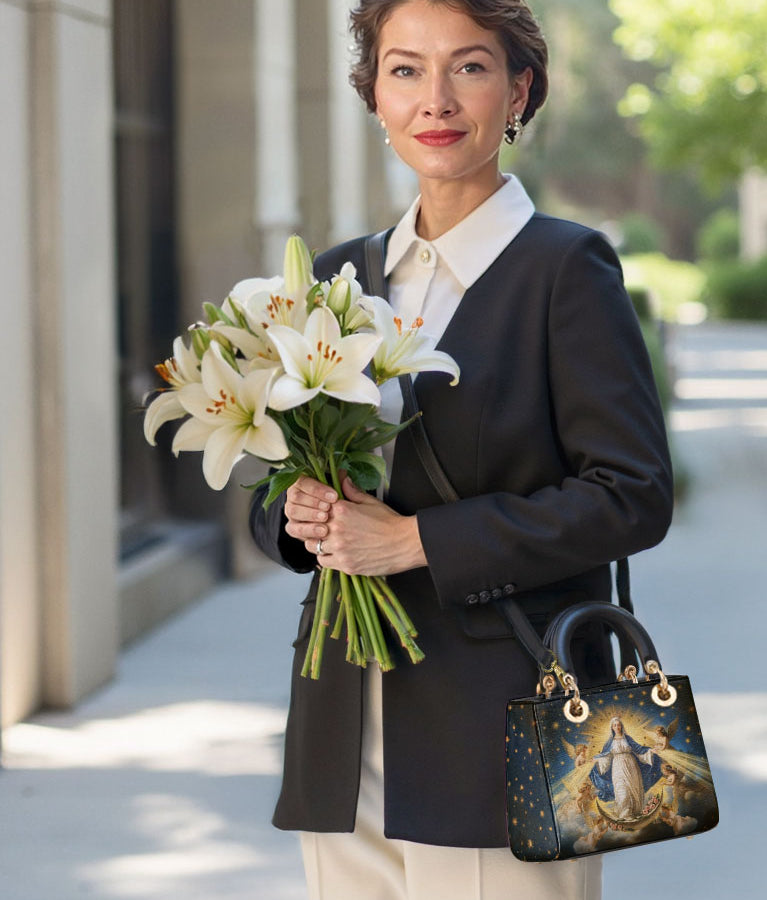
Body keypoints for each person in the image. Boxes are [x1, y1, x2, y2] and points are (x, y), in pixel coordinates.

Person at [249, 1, 673, 897]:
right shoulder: (335, 278)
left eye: (469, 67)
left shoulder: (566, 269)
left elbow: (631, 494)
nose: (434, 98)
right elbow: (275, 479)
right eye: (405, 69)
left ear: (518, 91)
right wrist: (298, 515)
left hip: (503, 726)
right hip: (342, 728)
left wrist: (416, 542)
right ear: (374, 95)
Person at [589, 717, 663, 821]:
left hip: (631, 765)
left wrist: (650, 751)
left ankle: (633, 812)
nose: (617, 727)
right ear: (612, 727)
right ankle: (624, 814)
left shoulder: (627, 738)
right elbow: (606, 755)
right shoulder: (610, 742)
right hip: (617, 767)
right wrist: (597, 759)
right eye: (615, 725)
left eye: (619, 725)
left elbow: (639, 749)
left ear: (621, 726)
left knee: (632, 788)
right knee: (621, 789)